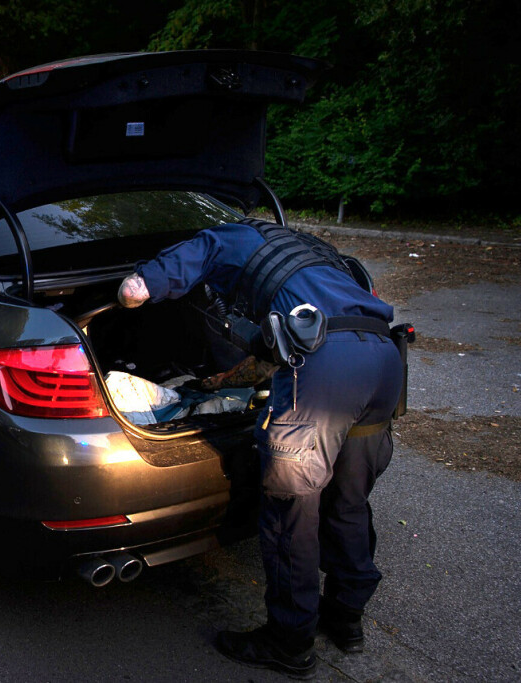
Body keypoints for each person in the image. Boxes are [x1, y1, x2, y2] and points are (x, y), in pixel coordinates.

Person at [119, 219, 403, 679]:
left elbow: (136, 292)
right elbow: (278, 344)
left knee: (292, 510)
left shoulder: (219, 239)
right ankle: (347, 620)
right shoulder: (308, 249)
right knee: (348, 500)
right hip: (383, 360)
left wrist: (118, 293)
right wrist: (219, 381)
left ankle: (289, 642)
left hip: (326, 366)